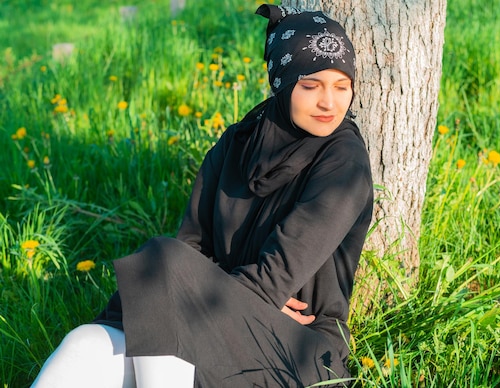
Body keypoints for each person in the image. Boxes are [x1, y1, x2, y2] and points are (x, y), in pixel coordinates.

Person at [31, 4, 373, 387]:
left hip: (300, 348)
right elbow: (192, 245)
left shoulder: (345, 161)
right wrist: (208, 297)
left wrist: (211, 297)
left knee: (162, 261)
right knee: (84, 344)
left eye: (342, 86)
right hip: (219, 316)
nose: (330, 102)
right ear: (283, 83)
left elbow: (277, 275)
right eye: (311, 86)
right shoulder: (238, 143)